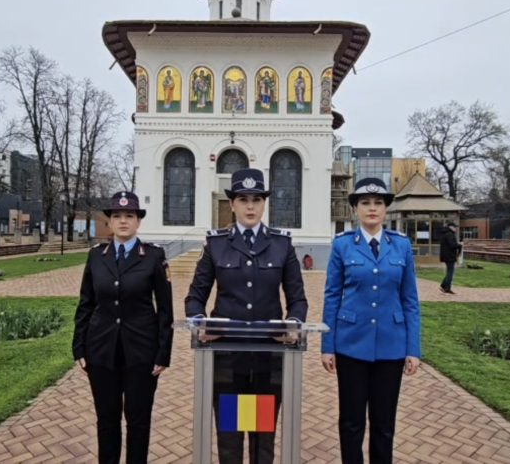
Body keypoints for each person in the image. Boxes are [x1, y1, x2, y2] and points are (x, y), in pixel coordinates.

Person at [185, 168, 308, 464]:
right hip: (228, 357)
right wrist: (200, 322)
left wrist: (292, 324)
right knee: (230, 436)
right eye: (243, 199)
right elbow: (195, 296)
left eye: (256, 199)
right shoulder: (217, 244)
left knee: (261, 438)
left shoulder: (281, 244)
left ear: (265, 203)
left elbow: (298, 299)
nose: (250, 206)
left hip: (267, 358)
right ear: (232, 204)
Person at [321, 177, 421, 464]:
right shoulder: (343, 246)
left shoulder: (400, 246)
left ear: (386, 209)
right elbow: (332, 296)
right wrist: (328, 345)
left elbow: (410, 300)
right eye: (365, 203)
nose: (372, 208)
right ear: (355, 208)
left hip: (391, 345)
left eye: (378, 203)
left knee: (384, 423)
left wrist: (412, 348)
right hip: (351, 345)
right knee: (351, 422)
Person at [72, 191, 173, 464]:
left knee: (138, 422)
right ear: (110, 222)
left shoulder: (153, 257)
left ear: (138, 221)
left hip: (142, 353)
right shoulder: (96, 257)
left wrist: (163, 353)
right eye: (117, 216)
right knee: (107, 420)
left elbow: (165, 309)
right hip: (102, 351)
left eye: (130, 216)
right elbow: (86, 303)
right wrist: (78, 345)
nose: (124, 221)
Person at [439, 221, 462, 295]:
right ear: (450, 227)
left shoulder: (445, 234)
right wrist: (459, 245)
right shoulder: (449, 234)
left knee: (449, 271)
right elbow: (452, 245)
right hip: (449, 256)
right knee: (450, 272)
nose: (456, 229)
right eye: (454, 227)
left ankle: (443, 285)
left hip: (446, 255)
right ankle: (447, 288)